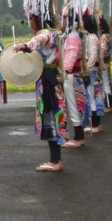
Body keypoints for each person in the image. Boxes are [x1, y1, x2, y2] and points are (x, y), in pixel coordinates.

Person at [14, 13, 67, 172]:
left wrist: (25, 46)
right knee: (50, 115)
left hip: (48, 80)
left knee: (50, 116)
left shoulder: (46, 33)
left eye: (31, 18)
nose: (30, 22)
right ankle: (55, 158)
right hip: (48, 78)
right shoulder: (55, 33)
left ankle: (55, 160)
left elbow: (40, 39)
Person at [61, 9, 87, 148]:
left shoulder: (72, 37)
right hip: (72, 74)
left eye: (64, 19)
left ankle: (78, 137)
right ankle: (78, 135)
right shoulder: (73, 35)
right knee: (74, 105)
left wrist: (64, 71)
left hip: (70, 75)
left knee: (73, 105)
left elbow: (71, 55)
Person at [83, 14, 106, 134]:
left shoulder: (91, 37)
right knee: (94, 96)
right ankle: (96, 123)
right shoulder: (93, 36)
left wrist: (86, 68)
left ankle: (95, 124)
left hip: (92, 71)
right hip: (94, 70)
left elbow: (92, 56)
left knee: (92, 97)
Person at [99, 14, 112, 110]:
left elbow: (103, 50)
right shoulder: (107, 36)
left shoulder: (104, 37)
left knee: (105, 82)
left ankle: (108, 104)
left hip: (103, 62)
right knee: (106, 82)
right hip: (106, 62)